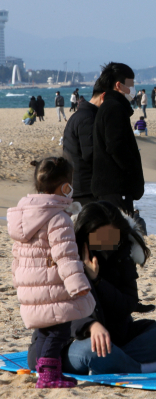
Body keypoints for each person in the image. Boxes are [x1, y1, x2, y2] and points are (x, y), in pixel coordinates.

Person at [26, 201, 156, 375]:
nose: (106, 244)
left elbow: (127, 305)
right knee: (90, 352)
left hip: (115, 339)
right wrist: (90, 326)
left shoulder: (123, 255)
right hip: (71, 341)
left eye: (112, 238)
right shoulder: (64, 255)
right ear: (85, 234)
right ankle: (139, 367)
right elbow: (55, 309)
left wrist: (98, 281)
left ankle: (115, 360)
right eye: (100, 238)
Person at [8, 157, 96, 388]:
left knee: (45, 328)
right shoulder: (59, 218)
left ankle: (48, 371)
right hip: (52, 284)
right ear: (65, 187)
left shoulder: (23, 216)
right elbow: (65, 255)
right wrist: (78, 284)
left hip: (30, 284)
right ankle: (47, 376)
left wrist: (18, 279)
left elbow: (17, 254)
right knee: (58, 329)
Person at [91, 62, 144, 215]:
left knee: (114, 234)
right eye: (130, 84)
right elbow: (116, 146)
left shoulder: (110, 106)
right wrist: (132, 173)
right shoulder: (114, 107)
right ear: (119, 85)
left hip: (111, 188)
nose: (133, 89)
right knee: (116, 234)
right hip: (115, 188)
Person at [63, 82, 106, 206]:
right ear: (103, 97)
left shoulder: (84, 115)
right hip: (85, 190)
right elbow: (91, 154)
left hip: (80, 186)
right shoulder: (88, 118)